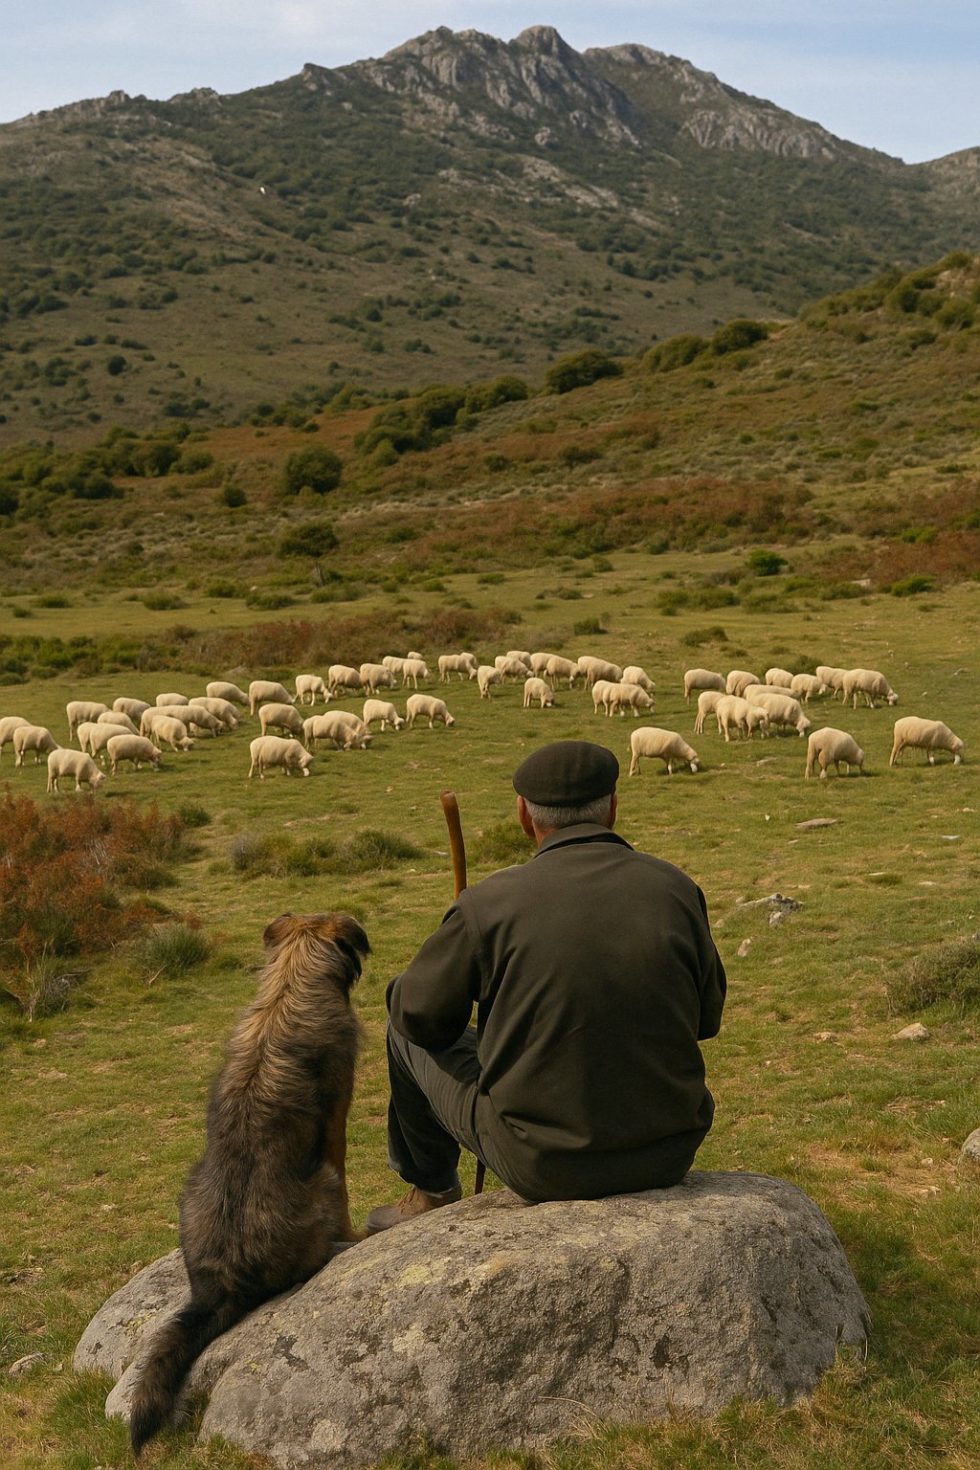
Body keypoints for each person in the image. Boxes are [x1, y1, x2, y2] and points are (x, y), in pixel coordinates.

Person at [366, 739, 726, 1232]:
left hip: (543, 1165)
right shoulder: (677, 888)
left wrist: (432, 969)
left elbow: (420, 1019)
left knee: (400, 1028)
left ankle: (431, 1191)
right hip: (667, 1151)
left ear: (523, 815)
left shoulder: (488, 904)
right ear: (613, 807)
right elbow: (706, 1020)